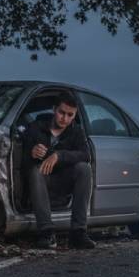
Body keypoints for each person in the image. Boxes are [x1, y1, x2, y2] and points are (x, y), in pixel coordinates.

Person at [23, 91, 95, 249]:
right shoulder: (36, 127)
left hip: (64, 182)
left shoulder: (76, 131)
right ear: (54, 109)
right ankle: (46, 232)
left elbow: (86, 155)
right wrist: (31, 152)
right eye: (62, 113)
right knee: (35, 170)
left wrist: (59, 155)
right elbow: (22, 160)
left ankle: (78, 232)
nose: (65, 119)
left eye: (70, 115)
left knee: (85, 168)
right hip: (41, 182)